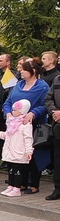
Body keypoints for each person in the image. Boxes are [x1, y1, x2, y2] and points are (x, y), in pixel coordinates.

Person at [2, 58, 49, 194]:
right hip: (16, 125)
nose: (20, 72)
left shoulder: (42, 86)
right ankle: (20, 183)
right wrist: (8, 114)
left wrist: (33, 113)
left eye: (24, 69)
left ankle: (34, 183)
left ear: (33, 71)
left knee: (32, 154)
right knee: (18, 154)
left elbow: (45, 105)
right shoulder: (19, 84)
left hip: (33, 125)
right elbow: (8, 102)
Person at [0, 100, 34, 197]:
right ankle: (11, 185)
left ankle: (17, 188)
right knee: (10, 170)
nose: (13, 112)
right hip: (10, 151)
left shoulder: (25, 124)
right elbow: (7, 135)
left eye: (15, 110)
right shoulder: (11, 123)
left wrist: (29, 151)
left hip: (19, 151)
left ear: (22, 111)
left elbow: (28, 138)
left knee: (17, 171)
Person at [45, 70, 60, 200]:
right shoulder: (57, 80)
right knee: (57, 158)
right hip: (57, 125)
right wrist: (54, 111)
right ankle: (58, 188)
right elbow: (48, 98)